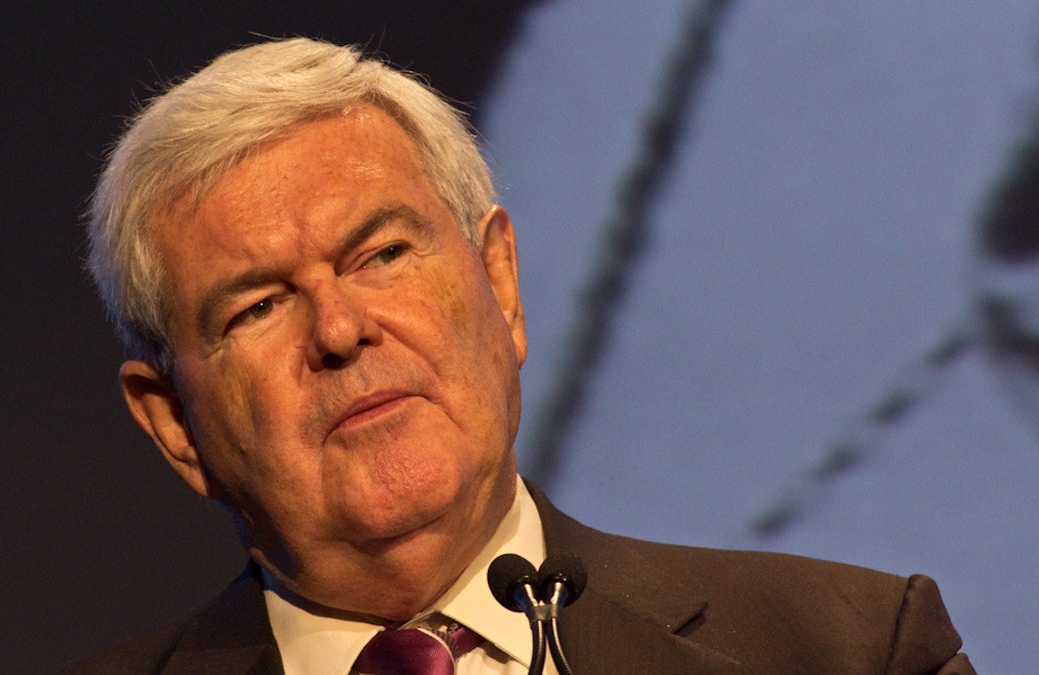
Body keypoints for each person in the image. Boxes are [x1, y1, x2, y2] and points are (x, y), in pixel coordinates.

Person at [64, 37, 974, 674]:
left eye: (381, 255)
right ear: (173, 422)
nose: (340, 331)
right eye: (259, 305)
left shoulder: (846, 652)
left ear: (500, 282)